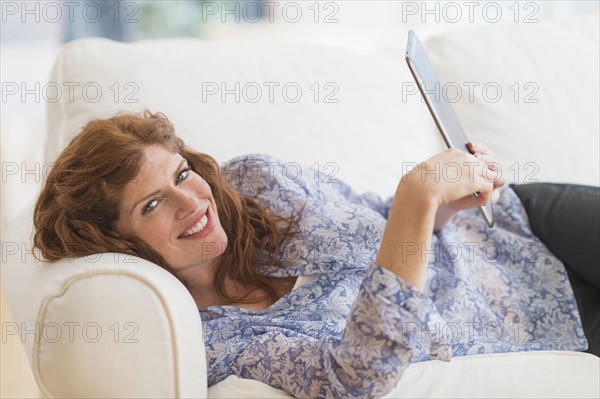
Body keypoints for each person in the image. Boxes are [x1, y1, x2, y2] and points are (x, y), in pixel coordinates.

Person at [33, 110, 599, 398]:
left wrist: (453, 195)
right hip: (544, 319)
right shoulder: (215, 340)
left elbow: (380, 213)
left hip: (526, 225)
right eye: (153, 204)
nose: (192, 201)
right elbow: (353, 378)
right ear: (118, 241)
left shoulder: (256, 181)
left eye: (182, 174)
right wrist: (418, 196)